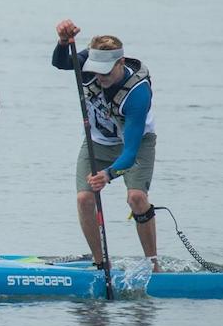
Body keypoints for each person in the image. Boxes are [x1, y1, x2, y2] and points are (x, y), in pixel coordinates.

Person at [53, 22, 160, 273]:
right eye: (96, 72)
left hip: (135, 144)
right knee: (84, 198)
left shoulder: (137, 94)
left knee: (136, 197)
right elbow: (60, 63)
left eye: (106, 73)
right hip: (97, 142)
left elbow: (130, 153)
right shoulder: (88, 61)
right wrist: (62, 42)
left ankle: (153, 265)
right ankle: (101, 263)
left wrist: (108, 175)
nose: (100, 78)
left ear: (120, 63)